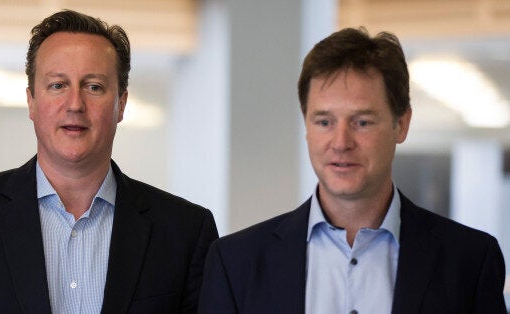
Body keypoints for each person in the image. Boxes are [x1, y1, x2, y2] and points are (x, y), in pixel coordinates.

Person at [0, 10, 218, 314]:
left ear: (121, 104)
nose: (75, 104)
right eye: (58, 85)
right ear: (31, 101)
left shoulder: (185, 231)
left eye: (94, 86)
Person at [198, 27, 506, 313]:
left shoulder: (469, 261)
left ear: (402, 124)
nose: (341, 142)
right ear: (306, 126)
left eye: (362, 122)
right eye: (324, 122)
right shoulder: (235, 263)